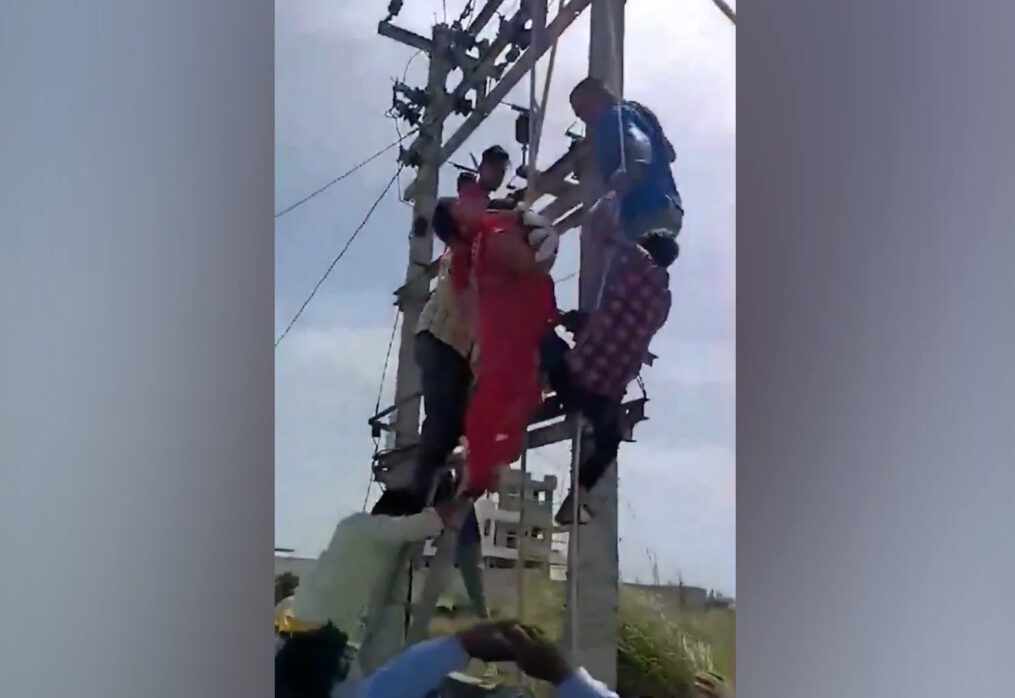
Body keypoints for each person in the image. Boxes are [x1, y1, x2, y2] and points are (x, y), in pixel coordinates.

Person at [545, 78, 683, 523]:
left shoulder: (615, 117)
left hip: (640, 210)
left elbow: (635, 147)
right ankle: (580, 496)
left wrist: (622, 183)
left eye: (581, 109)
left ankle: (546, 377)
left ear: (594, 97)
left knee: (601, 281)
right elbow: (669, 151)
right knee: (616, 304)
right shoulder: (662, 300)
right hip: (667, 210)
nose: (583, 120)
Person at [284, 490, 453, 640]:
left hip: (304, 618)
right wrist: (464, 496)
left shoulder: (351, 525)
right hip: (321, 630)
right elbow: (421, 524)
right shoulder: (377, 530)